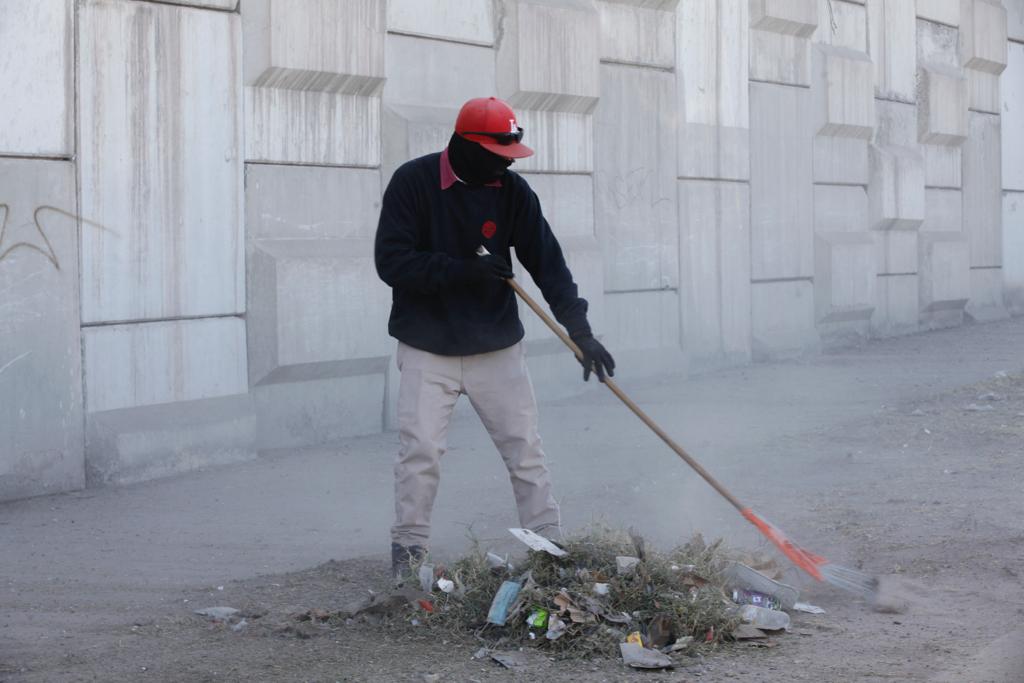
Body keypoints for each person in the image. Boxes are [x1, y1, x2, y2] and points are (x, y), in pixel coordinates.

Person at [374, 96, 615, 579]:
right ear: (465, 146)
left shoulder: (513, 191)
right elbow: (391, 262)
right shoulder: (413, 182)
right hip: (427, 348)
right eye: (497, 155)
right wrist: (465, 270)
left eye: (510, 155)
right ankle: (409, 550)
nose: (506, 165)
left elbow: (549, 265)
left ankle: (547, 546)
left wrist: (581, 332)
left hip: (497, 348)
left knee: (525, 449)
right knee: (420, 452)